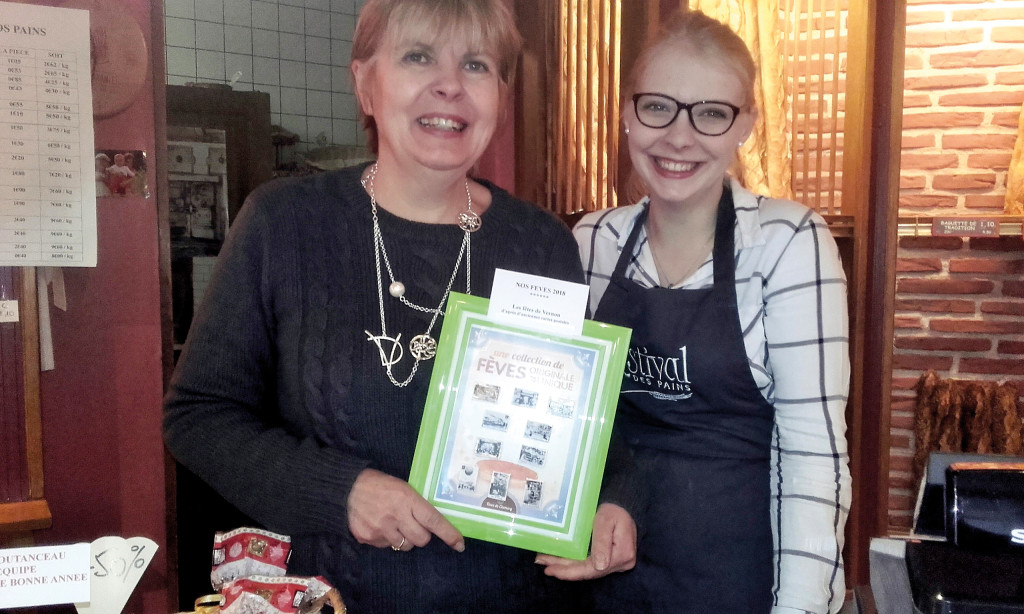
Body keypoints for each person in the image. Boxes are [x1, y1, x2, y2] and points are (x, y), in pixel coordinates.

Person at [163, 1, 636, 612]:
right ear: (365, 83)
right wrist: (342, 492)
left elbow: (589, 423)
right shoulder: (285, 224)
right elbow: (199, 416)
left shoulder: (539, 243)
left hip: (515, 599)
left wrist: (614, 501)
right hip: (338, 596)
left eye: (476, 64)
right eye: (418, 57)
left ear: (500, 94)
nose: (449, 85)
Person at [569, 10, 851, 614]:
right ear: (626, 112)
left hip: (735, 583)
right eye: (658, 106)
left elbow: (813, 460)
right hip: (601, 583)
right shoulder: (591, 244)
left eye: (712, 113)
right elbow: (566, 424)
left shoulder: (787, 243)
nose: (679, 136)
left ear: (745, 124)